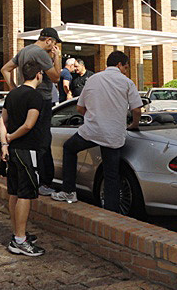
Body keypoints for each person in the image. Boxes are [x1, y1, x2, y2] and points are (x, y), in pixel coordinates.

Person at [52, 50, 142, 212]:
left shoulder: (93, 79)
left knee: (69, 148)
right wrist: (134, 125)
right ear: (119, 64)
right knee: (111, 175)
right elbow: (136, 109)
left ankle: (69, 191)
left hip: (91, 131)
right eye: (126, 67)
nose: (126, 71)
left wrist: (93, 117)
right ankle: (112, 212)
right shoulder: (127, 82)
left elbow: (80, 107)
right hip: (114, 135)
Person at [1, 28, 61, 196]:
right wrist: (57, 58)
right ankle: (44, 183)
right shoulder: (40, 53)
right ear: (48, 40)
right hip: (41, 99)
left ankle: (26, 177)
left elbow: (5, 69)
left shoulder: (24, 51)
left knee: (26, 138)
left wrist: (14, 89)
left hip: (23, 96)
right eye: (54, 45)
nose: (53, 48)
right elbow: (56, 77)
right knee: (43, 140)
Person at [0, 60, 47, 257]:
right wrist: (10, 137)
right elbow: (29, 125)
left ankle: (17, 233)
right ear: (38, 75)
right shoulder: (35, 96)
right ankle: (20, 240)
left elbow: (3, 120)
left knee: (14, 192)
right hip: (27, 150)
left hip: (12, 151)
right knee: (26, 194)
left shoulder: (13, 94)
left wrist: (4, 143)